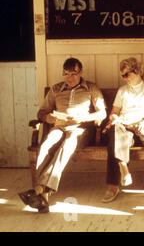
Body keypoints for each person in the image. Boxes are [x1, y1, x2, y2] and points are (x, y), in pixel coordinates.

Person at [18, 58, 106, 212]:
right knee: (46, 145)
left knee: (67, 145)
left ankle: (38, 190)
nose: (69, 78)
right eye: (66, 74)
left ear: (81, 72)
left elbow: (102, 113)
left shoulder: (90, 88)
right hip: (58, 127)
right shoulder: (56, 89)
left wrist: (83, 118)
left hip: (80, 129)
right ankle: (43, 197)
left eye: (73, 74)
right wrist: (47, 118)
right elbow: (42, 111)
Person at [101, 57, 144, 203]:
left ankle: (113, 185)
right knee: (115, 131)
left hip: (140, 128)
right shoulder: (122, 91)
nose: (125, 79)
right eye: (122, 75)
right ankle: (123, 167)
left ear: (137, 72)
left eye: (127, 74)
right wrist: (114, 118)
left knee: (114, 141)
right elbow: (114, 112)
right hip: (123, 128)